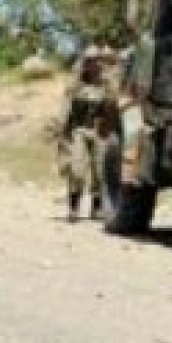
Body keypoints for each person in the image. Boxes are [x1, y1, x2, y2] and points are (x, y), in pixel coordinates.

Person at [57, 50, 110, 221]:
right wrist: (62, 134)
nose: (95, 65)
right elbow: (65, 109)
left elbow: (111, 109)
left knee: (100, 171)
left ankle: (97, 208)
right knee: (77, 170)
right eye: (90, 61)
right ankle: (74, 208)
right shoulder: (76, 85)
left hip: (99, 132)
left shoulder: (105, 85)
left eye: (97, 61)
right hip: (79, 131)